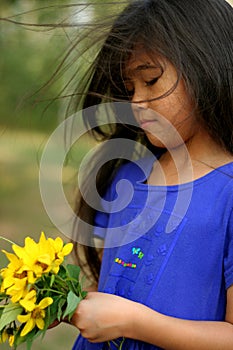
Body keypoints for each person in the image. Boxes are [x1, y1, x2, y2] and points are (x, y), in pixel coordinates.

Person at [67, 0, 233, 349]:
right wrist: (65, 303)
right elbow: (111, 285)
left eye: (151, 81)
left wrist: (133, 322)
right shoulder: (126, 177)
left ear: (206, 67)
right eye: (130, 89)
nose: (136, 102)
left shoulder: (227, 193)